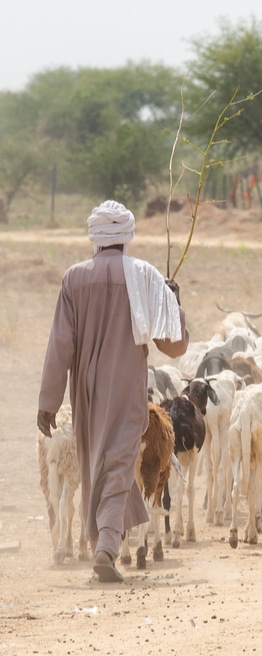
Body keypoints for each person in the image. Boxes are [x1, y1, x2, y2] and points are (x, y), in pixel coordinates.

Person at [36, 200, 188, 583]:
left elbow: (60, 345)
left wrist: (48, 402)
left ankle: (107, 539)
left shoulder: (73, 278)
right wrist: (174, 302)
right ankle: (105, 546)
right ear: (127, 236)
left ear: (95, 237)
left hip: (85, 391)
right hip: (126, 387)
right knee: (119, 461)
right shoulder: (144, 277)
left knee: (97, 463)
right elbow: (174, 345)